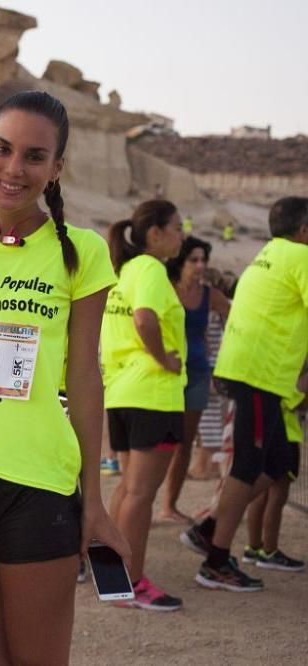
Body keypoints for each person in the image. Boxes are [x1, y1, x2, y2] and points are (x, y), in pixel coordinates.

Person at [0, 91, 128, 664]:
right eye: (3, 149)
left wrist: (96, 499)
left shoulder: (81, 252)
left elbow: (86, 378)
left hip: (39, 488)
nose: (14, 170)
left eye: (34, 157)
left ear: (56, 168)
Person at [184, 196, 308, 592]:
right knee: (249, 465)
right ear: (304, 230)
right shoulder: (300, 257)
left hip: (253, 372)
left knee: (280, 462)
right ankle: (216, 560)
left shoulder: (268, 254)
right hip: (259, 374)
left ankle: (210, 527)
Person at [101, 199, 186, 611]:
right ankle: (129, 582)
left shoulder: (125, 271)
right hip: (152, 393)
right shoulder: (151, 269)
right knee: (140, 494)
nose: (182, 236)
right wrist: (165, 359)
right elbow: (145, 320)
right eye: (178, 228)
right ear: (155, 233)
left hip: (122, 392)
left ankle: (109, 574)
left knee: (128, 490)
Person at [158, 236, 230, 523]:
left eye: (204, 260)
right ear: (181, 262)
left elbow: (237, 319)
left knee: (185, 443)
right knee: (158, 442)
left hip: (198, 373)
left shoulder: (210, 294)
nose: (200, 266)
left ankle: (169, 506)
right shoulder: (165, 289)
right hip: (165, 372)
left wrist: (223, 355)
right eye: (194, 260)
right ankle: (143, 502)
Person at [242, 389, 306, 572]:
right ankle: (270, 550)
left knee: (261, 491)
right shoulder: (290, 368)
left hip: (264, 428)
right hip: (283, 431)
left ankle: (253, 547)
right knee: (278, 495)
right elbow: (299, 402)